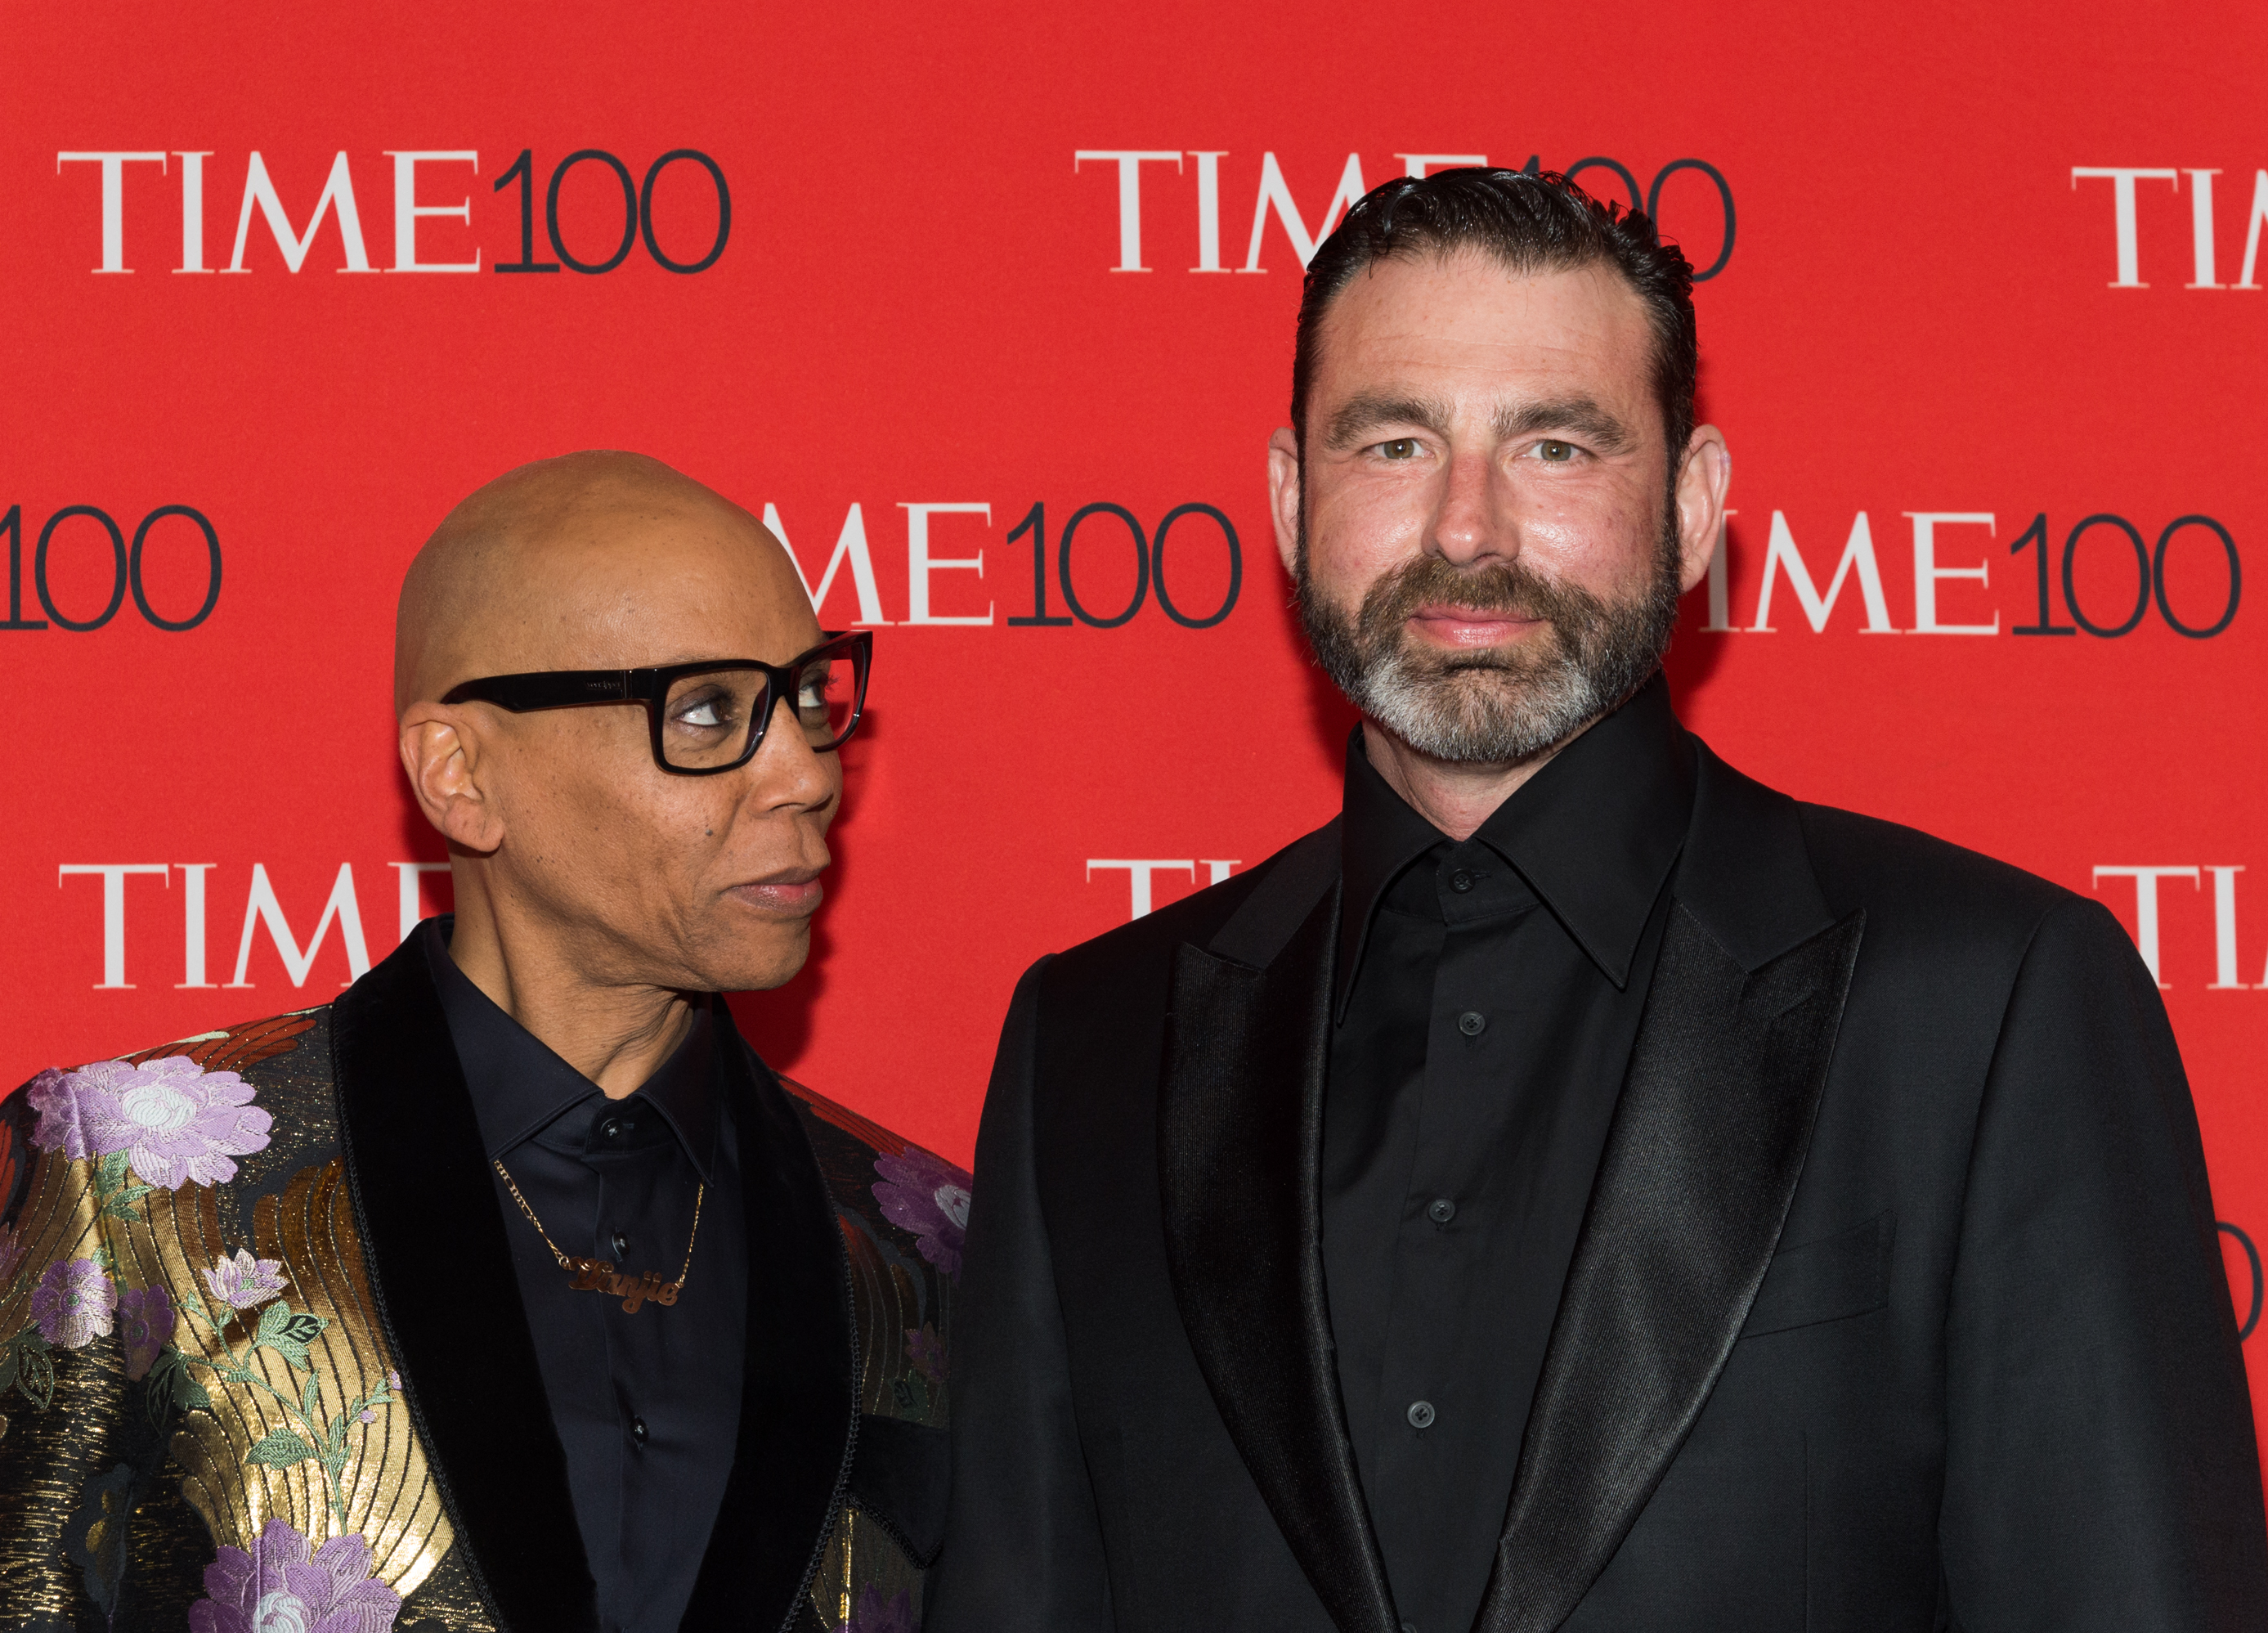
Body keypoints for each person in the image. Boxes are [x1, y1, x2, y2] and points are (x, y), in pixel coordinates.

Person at [930, 170, 2267, 1633]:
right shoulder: (1095, 1041)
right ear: (1290, 497)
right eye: (1395, 440)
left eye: (1556, 446)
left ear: (1693, 508)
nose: (1465, 529)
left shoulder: (1985, 1000)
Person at [0, 452, 961, 1633]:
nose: (807, 773)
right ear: (460, 774)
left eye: (809, 698)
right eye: (707, 710)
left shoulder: (921, 1238)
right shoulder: (133, 1181)